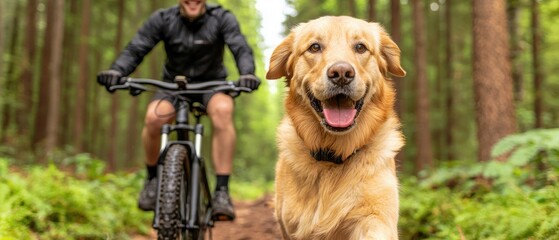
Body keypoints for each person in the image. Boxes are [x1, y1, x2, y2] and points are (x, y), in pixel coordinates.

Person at [96, 0, 260, 221]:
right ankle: (153, 179)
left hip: (211, 85)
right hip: (173, 85)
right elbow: (137, 47)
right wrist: (117, 71)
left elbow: (239, 47)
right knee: (154, 118)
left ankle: (222, 191)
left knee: (223, 111)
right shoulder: (163, 19)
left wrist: (247, 73)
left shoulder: (222, 17)